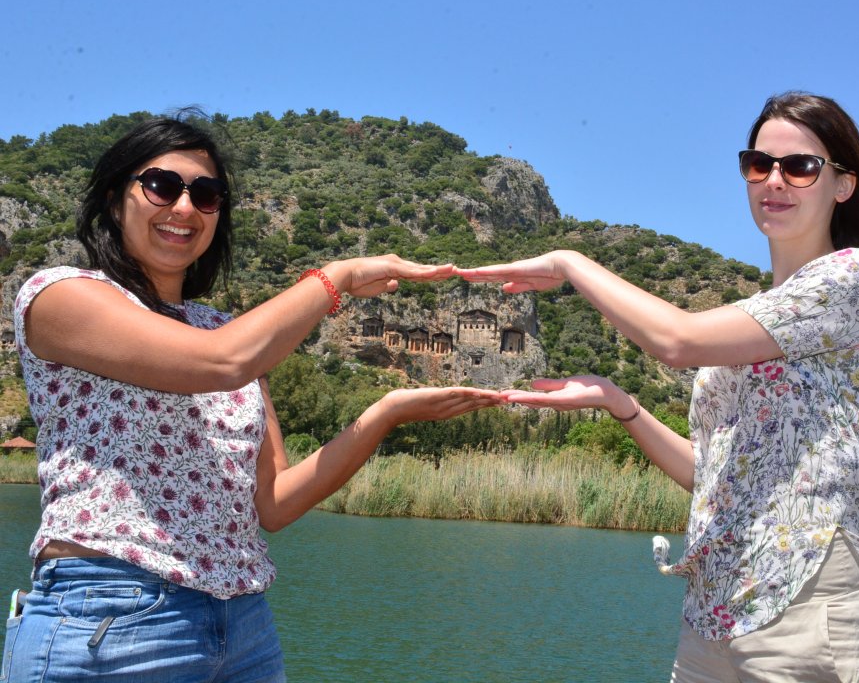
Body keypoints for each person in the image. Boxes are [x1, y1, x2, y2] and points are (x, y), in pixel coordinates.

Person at [5, 114, 502, 682]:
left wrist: (387, 412)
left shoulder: (226, 329)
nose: (185, 208)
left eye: (207, 194)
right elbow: (220, 362)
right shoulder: (60, 296)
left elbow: (274, 503)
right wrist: (336, 277)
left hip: (242, 628)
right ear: (117, 201)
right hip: (114, 617)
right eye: (162, 186)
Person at [456, 92, 859, 682]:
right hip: (714, 610)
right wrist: (618, 403)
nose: (774, 180)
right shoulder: (757, 312)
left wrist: (571, 263)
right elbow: (712, 474)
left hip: (806, 597)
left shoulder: (852, 278)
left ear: (842, 185)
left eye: (800, 166)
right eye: (758, 164)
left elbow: (676, 341)